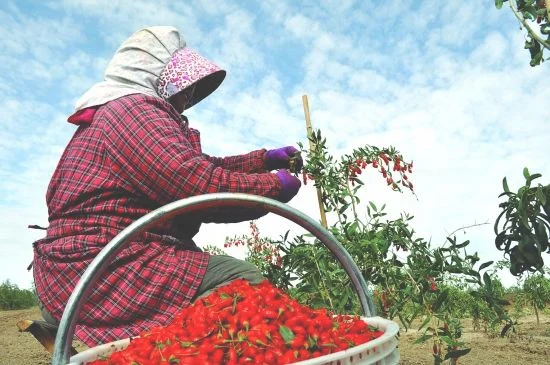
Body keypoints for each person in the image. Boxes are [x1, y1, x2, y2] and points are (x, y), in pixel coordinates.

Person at [31, 26, 302, 347]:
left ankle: (70, 320)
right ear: (153, 74)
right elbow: (195, 185)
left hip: (83, 259)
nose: (189, 94)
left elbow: (202, 167)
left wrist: (264, 161)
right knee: (240, 281)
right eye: (183, 83)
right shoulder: (134, 111)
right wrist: (272, 189)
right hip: (105, 264)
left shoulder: (117, 111)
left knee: (205, 289)